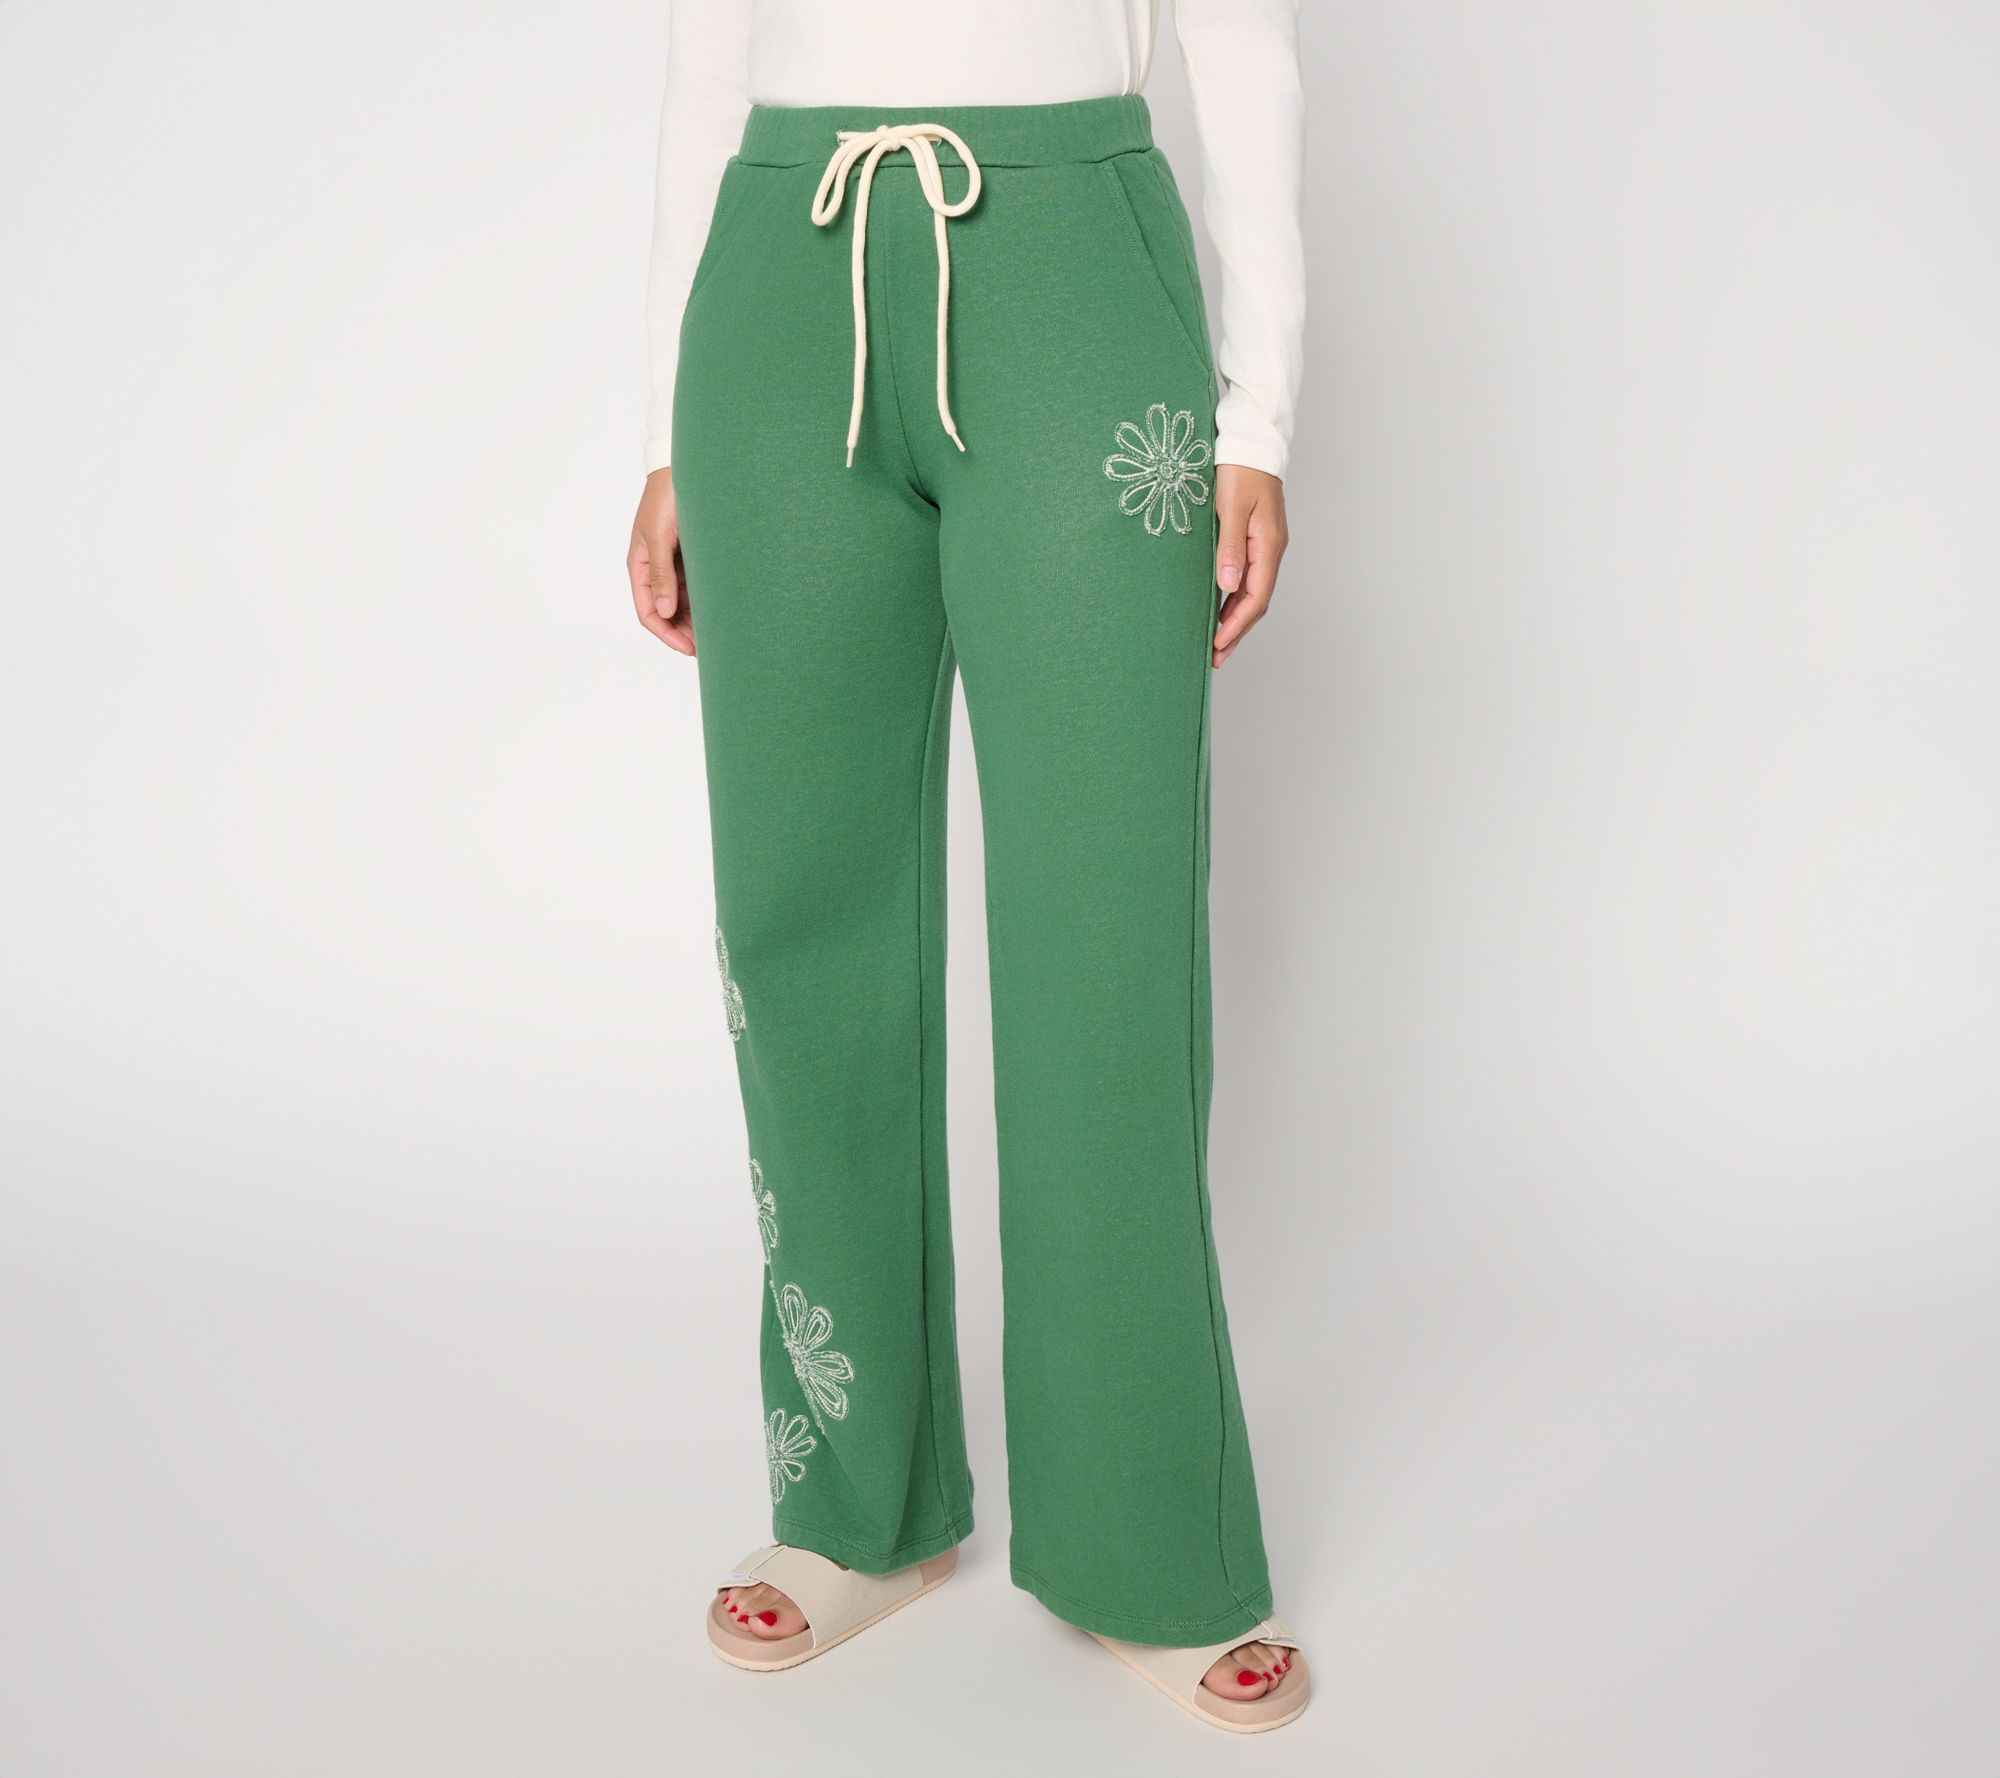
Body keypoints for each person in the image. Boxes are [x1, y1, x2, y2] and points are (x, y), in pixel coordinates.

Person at [626, 0, 1307, 1733]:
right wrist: (661, 430)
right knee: (800, 910)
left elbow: (1241, 42)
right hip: (779, 282)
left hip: (1074, 278)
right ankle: (857, 1498)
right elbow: (707, 56)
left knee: (1105, 921)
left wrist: (1259, 414)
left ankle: (1145, 1539)